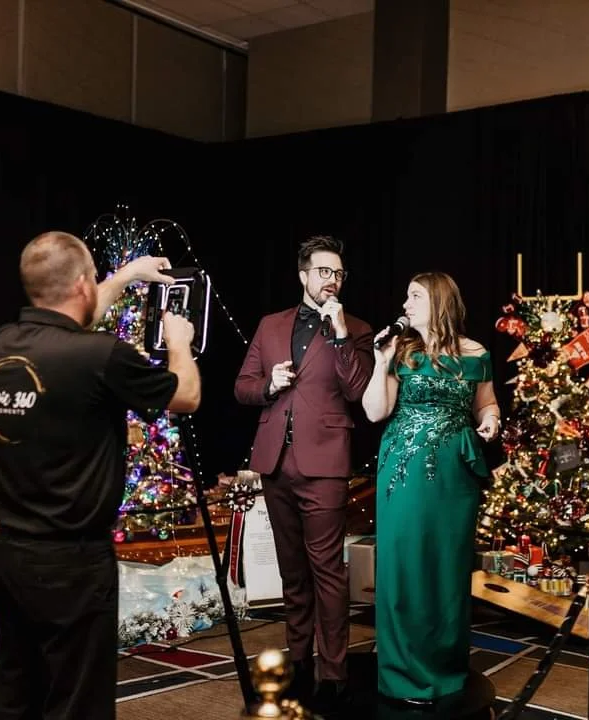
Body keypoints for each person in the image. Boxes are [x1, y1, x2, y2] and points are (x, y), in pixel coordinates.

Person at [0, 231, 201, 720]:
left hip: (10, 558)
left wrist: (127, 274)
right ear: (82, 284)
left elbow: (72, 318)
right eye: (94, 280)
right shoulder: (101, 355)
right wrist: (179, 343)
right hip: (73, 566)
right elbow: (185, 396)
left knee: (15, 697)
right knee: (77, 704)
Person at [234, 235, 374, 710]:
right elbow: (242, 386)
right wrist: (268, 385)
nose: (332, 280)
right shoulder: (270, 324)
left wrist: (340, 334)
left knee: (328, 572)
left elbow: (357, 390)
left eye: (338, 273)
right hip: (275, 462)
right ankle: (297, 663)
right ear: (303, 275)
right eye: (323, 271)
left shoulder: (357, 329)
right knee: (292, 573)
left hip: (325, 464)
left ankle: (333, 672)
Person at [361, 271, 500, 707]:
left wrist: (491, 420)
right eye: (406, 296)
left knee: (446, 566)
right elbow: (374, 412)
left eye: (415, 296)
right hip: (403, 472)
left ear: (439, 302)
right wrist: (380, 360)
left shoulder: (476, 353)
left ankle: (444, 667)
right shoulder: (401, 351)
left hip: (454, 475)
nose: (405, 304)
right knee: (405, 563)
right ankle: (402, 671)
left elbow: (486, 402)